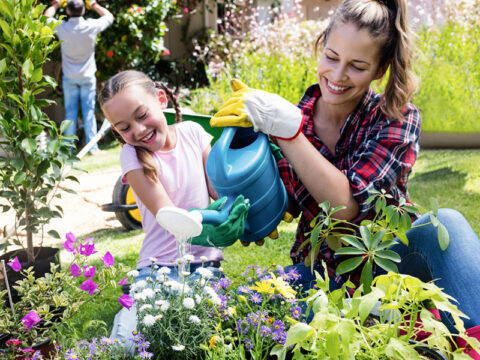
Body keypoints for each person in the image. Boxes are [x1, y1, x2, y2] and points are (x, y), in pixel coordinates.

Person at [210, 0, 480, 356]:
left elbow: (344, 207)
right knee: (243, 312)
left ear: (380, 70)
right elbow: (269, 207)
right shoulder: (283, 117)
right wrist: (233, 219)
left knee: (445, 223)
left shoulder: (396, 118)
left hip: (392, 264)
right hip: (323, 274)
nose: (337, 76)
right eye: (331, 57)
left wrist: (290, 136)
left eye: (357, 66)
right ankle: (402, 331)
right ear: (321, 46)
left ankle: (466, 343)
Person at [98, 70, 249, 344]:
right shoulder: (131, 155)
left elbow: (219, 192)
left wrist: (242, 198)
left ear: (161, 100)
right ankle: (131, 307)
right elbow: (168, 215)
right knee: (133, 341)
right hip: (158, 269)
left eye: (142, 115)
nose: (138, 130)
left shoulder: (193, 133)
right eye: (125, 127)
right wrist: (213, 226)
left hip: (205, 267)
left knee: (205, 336)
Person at [44, 0, 114, 155]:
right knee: (89, 111)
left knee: (70, 113)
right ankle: (92, 148)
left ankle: (69, 149)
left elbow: (45, 18)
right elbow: (109, 17)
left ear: (68, 11)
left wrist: (56, 4)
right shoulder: (90, 26)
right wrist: (94, 4)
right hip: (87, 76)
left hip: (69, 77)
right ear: (83, 11)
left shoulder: (62, 27)